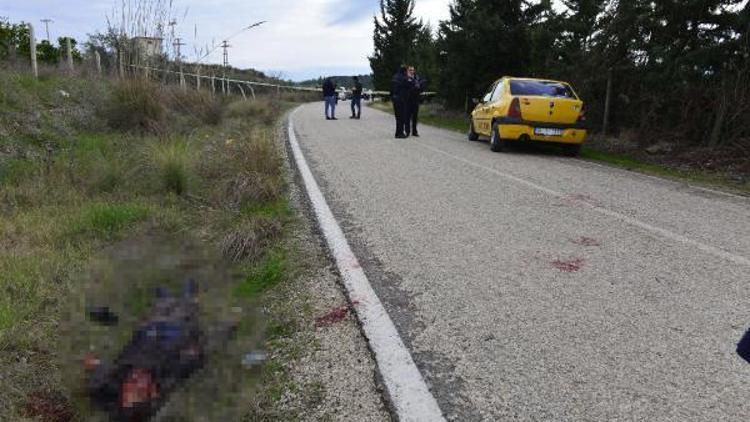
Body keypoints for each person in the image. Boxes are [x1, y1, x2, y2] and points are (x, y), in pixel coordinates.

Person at [390, 66, 411, 138]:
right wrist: (409, 77)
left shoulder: (394, 77)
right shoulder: (404, 78)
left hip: (395, 99)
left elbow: (391, 89)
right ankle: (400, 133)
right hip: (401, 99)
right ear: (404, 71)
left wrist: (392, 97)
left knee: (397, 117)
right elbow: (409, 86)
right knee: (402, 117)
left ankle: (397, 132)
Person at [406, 66, 427, 137]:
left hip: (416, 100)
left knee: (415, 116)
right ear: (408, 71)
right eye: (410, 70)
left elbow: (421, 86)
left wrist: (419, 86)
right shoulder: (406, 78)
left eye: (413, 70)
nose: (412, 71)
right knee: (408, 116)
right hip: (408, 100)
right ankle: (407, 131)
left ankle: (414, 131)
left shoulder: (417, 78)